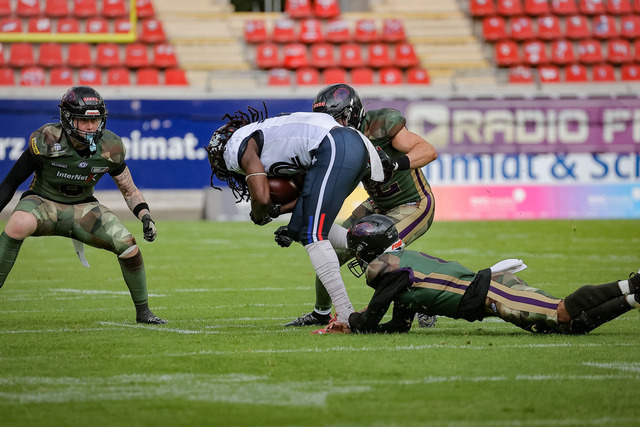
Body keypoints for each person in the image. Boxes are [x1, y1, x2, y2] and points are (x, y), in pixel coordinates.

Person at [0, 86, 166, 325]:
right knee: (18, 223)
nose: (90, 127)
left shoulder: (110, 146)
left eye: (95, 120)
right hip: (43, 203)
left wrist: (146, 216)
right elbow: (11, 182)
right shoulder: (47, 139)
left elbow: (129, 190)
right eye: (84, 121)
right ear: (68, 119)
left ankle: (144, 313)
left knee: (127, 244)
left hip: (82, 209)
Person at [315, 214, 640, 335]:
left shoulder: (390, 270)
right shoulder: (403, 269)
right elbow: (398, 325)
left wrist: (349, 323)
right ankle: (633, 298)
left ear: (372, 248)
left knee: (562, 311)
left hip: (492, 292)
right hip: (490, 291)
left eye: (360, 251)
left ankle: (632, 283)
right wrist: (360, 325)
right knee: (570, 327)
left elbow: (370, 317)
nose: (358, 257)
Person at [206, 107, 385, 324]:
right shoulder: (272, 139)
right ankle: (390, 252)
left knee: (313, 234)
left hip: (335, 144)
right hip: (348, 145)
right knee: (306, 227)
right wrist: (279, 212)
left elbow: (261, 198)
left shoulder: (236, 145)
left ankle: (345, 316)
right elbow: (305, 194)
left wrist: (259, 215)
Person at [285, 83, 439, 328]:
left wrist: (395, 163)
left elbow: (428, 151)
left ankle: (427, 297)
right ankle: (321, 312)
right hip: (377, 204)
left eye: (336, 119)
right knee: (328, 250)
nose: (332, 125)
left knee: (384, 255)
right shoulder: (335, 142)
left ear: (352, 113)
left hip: (412, 203)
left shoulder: (380, 124)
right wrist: (298, 221)